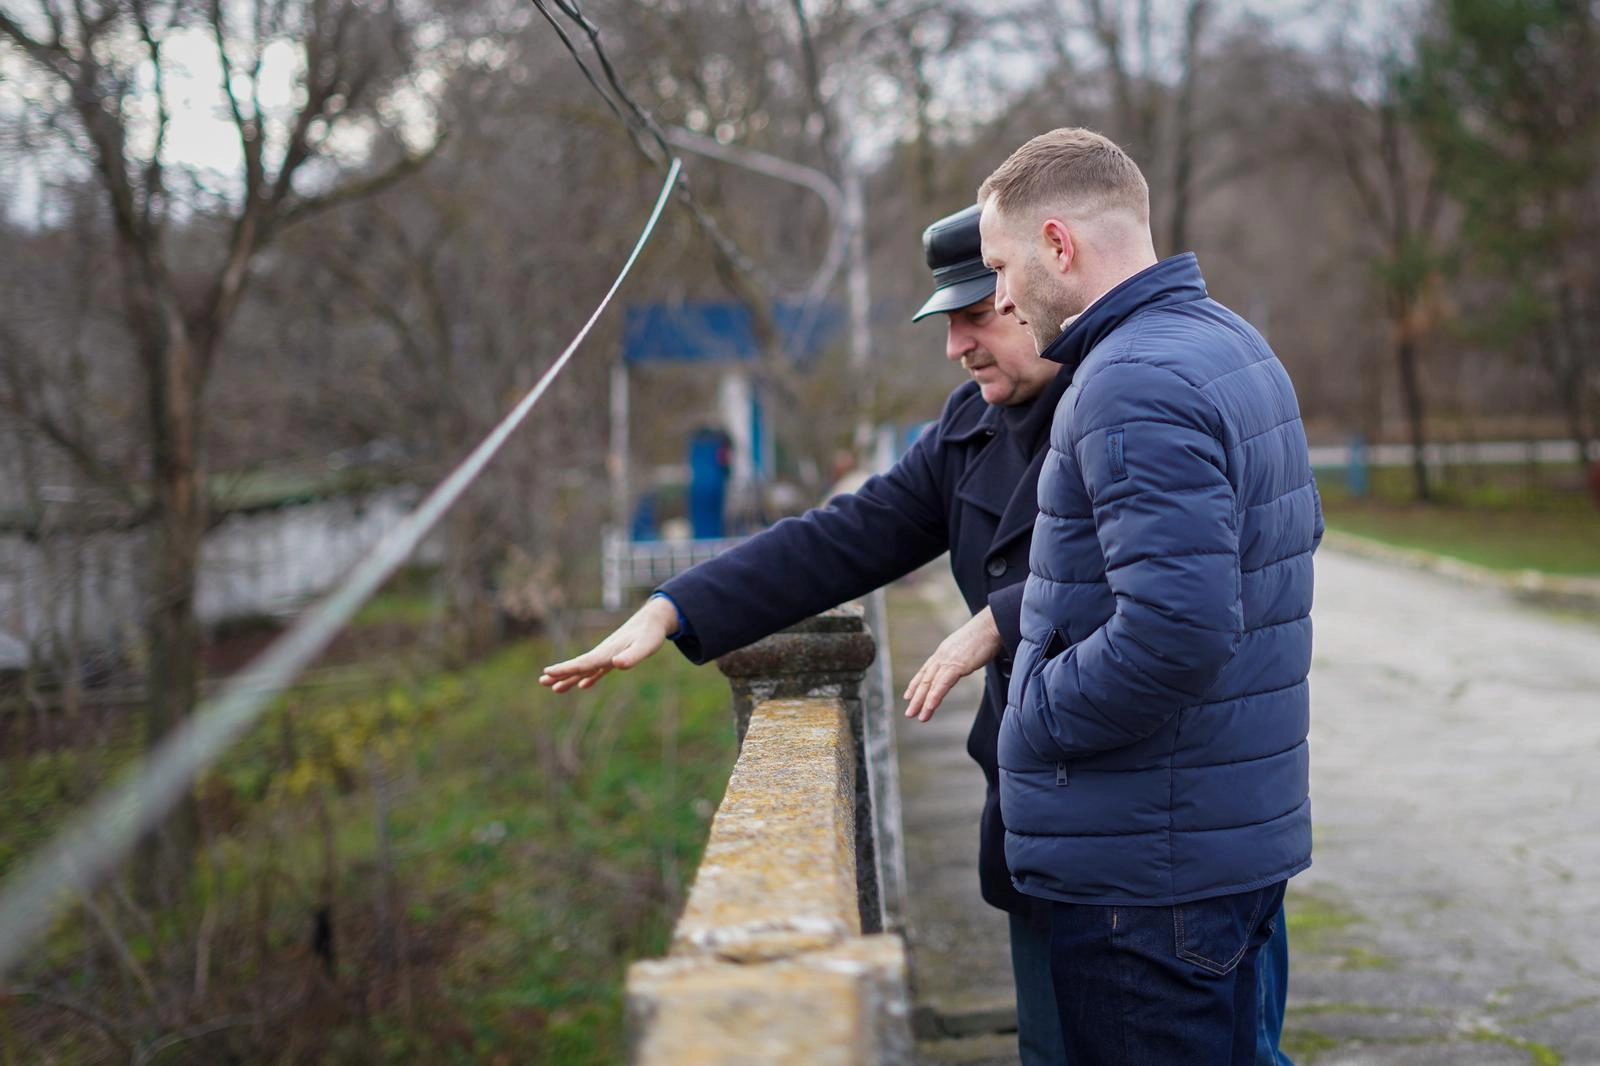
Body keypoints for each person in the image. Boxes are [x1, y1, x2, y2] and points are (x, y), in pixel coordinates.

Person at [542, 203, 1072, 1064]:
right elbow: (841, 538)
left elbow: (1167, 577)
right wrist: (671, 607)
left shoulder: (1125, 410)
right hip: (1038, 826)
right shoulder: (969, 430)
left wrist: (1007, 619)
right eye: (949, 323)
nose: (956, 346)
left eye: (977, 317)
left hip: (1154, 838)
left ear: (1034, 293)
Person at [977, 127, 1321, 1065]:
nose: (999, 296)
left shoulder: (1130, 380)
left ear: (1058, 244)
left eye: (1002, 266)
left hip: (1150, 878)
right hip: (1207, 845)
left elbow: (1179, 629)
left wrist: (1036, 713)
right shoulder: (1227, 343)